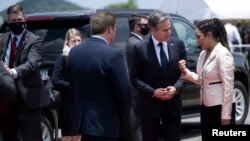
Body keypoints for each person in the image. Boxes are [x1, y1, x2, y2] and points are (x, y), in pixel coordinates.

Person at [66, 12, 131, 141]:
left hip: (82, 124)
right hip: (106, 124)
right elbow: (124, 92)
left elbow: (71, 85)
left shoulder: (74, 52)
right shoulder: (114, 54)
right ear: (110, 29)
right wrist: (124, 114)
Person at [130, 11, 186, 141]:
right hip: (149, 106)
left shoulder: (178, 44)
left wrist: (175, 88)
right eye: (164, 30)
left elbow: (184, 74)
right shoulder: (140, 48)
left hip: (172, 105)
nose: (169, 33)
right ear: (153, 31)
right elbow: (134, 79)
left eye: (170, 28)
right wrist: (153, 92)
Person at [178, 18, 235, 141]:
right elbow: (203, 80)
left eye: (198, 37)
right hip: (205, 106)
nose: (197, 41)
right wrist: (185, 72)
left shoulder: (223, 54)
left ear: (209, 35)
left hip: (220, 108)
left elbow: (228, 86)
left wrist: (226, 114)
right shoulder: (203, 54)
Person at [0, 4, 50, 141]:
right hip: (5, 98)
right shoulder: (2, 39)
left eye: (19, 20)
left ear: (25, 18)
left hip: (27, 98)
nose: (17, 23)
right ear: (8, 21)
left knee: (32, 137)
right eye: (13, 21)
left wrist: (13, 72)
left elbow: (32, 63)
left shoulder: (34, 40)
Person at [51, 28, 83, 141]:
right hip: (68, 103)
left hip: (82, 103)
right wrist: (72, 87)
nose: (77, 43)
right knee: (68, 136)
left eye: (79, 40)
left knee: (79, 136)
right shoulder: (62, 58)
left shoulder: (84, 57)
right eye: (74, 41)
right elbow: (55, 79)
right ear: (67, 42)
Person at [125, 13, 148, 141]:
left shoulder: (134, 41)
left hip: (138, 90)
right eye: (145, 25)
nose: (148, 27)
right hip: (139, 91)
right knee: (140, 125)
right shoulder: (135, 44)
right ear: (136, 27)